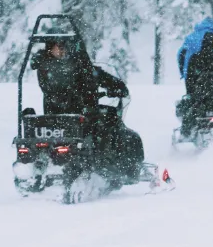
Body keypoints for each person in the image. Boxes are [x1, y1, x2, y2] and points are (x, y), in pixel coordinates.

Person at [30, 39, 142, 180]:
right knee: (110, 121)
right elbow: (93, 76)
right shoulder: (69, 66)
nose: (63, 50)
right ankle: (108, 165)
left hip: (56, 115)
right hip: (79, 113)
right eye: (60, 46)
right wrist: (113, 87)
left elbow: (88, 77)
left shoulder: (44, 64)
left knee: (103, 123)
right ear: (50, 47)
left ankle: (104, 163)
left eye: (65, 47)